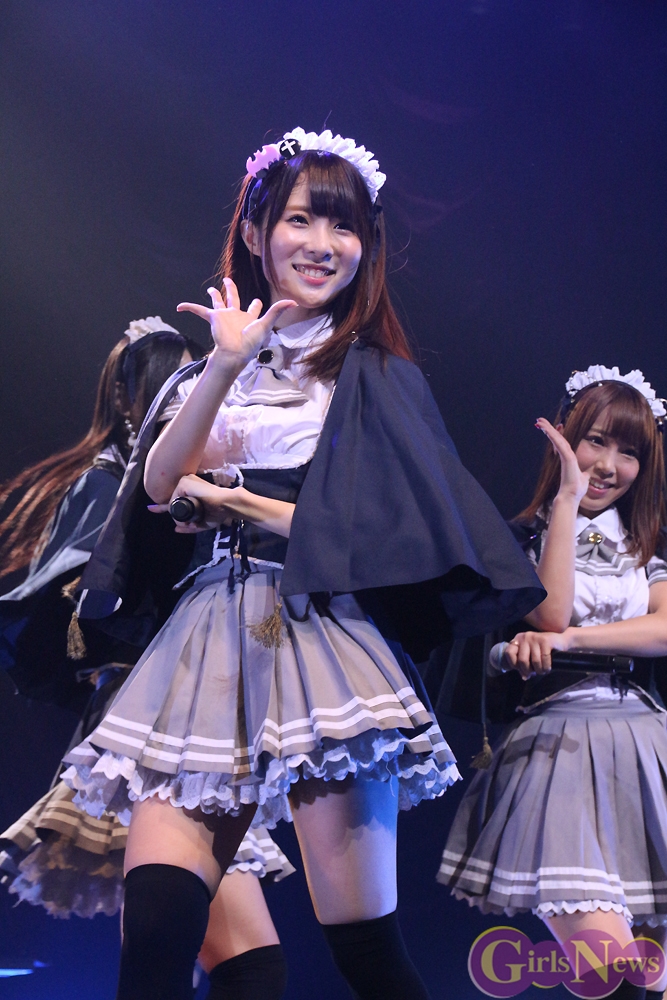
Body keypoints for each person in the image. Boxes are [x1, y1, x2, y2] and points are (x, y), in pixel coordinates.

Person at [63, 126, 543, 1000]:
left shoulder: (375, 376)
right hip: (206, 643)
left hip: (321, 642)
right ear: (254, 232)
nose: (322, 244)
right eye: (299, 220)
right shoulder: (212, 367)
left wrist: (242, 503)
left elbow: (388, 538)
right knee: (157, 933)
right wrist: (224, 364)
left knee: (366, 953)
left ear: (366, 245)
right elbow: (161, 484)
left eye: (343, 226)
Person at [0, 319, 292, 1000]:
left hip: (189, 710)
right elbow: (74, 609)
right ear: (139, 398)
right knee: (206, 953)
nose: (195, 395)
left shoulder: (197, 478)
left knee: (191, 951)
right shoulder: (114, 485)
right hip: (154, 718)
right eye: (179, 382)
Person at [439, 366, 667, 1000]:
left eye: (629, 452)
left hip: (646, 751)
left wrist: (571, 644)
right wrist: (565, 500)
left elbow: (662, 628)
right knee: (613, 979)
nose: (609, 465)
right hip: (557, 757)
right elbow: (551, 611)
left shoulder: (647, 547)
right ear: (564, 436)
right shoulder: (514, 540)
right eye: (596, 441)